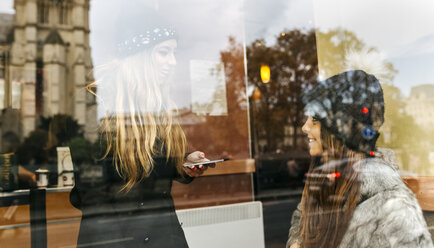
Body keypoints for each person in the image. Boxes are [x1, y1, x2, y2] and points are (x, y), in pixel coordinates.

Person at [70, 9, 212, 248]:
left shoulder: (159, 105)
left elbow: (155, 166)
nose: (173, 61)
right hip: (115, 238)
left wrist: (185, 164)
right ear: (139, 55)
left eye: (174, 52)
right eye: (164, 52)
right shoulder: (96, 104)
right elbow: (92, 194)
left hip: (163, 234)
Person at [287, 70, 433, 248]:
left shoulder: (393, 206)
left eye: (315, 120)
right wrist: (296, 242)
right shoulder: (325, 179)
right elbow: (301, 217)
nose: (304, 127)